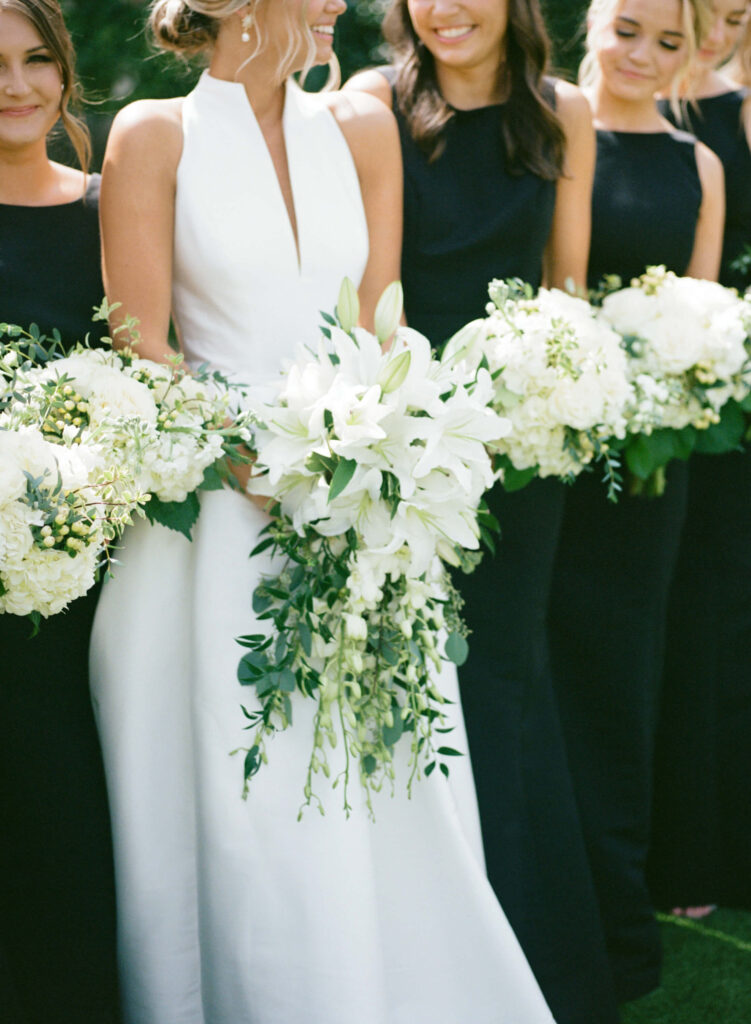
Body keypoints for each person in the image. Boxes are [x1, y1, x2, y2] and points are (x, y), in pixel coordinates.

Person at [89, 2, 557, 1022]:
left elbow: (381, 316)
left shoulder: (360, 124)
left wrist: (377, 451)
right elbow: (144, 352)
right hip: (214, 528)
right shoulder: (153, 135)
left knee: (386, 779)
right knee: (249, 801)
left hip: (359, 510)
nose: (337, 6)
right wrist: (250, 460)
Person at [346, 5, 620, 1024]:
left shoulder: (562, 112)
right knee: (422, 679)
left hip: (519, 450)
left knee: (505, 681)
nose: (445, 10)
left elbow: (566, 284)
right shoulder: (371, 103)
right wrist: (410, 422)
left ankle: (537, 956)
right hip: (413, 437)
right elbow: (373, 295)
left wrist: (549, 383)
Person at [547, 0, 723, 1004]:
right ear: (593, 25)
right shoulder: (555, 122)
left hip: (653, 464)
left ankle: (618, 920)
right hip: (551, 439)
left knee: (623, 675)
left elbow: (699, 312)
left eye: (669, 41)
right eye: (628, 31)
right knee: (545, 670)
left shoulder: (697, 164)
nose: (643, 57)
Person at [0, 1, 120, 1022]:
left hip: (92, 558)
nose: (18, 83)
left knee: (69, 782)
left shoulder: (106, 206)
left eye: (39, 60)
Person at [648, 0, 751, 916]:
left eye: (738, 15)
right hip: (695, 395)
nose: (721, 32)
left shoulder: (740, 109)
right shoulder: (646, 106)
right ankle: (684, 851)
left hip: (728, 379)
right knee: (696, 613)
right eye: (704, 15)